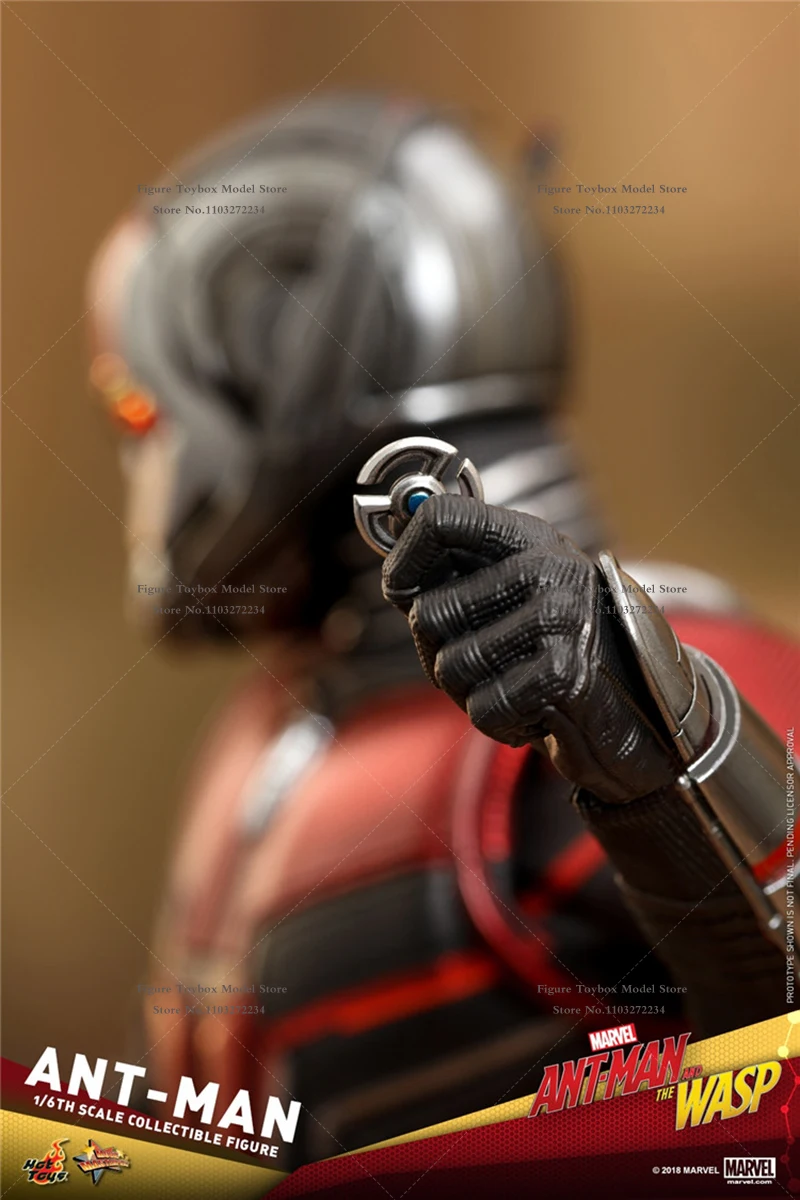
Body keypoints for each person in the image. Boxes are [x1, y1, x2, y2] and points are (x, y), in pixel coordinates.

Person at [87, 93, 797, 1165]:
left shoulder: (670, 676)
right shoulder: (277, 728)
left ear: (271, 370)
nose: (144, 458)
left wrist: (663, 746)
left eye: (140, 411)